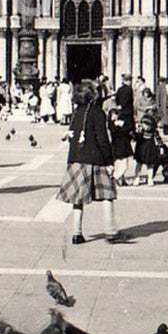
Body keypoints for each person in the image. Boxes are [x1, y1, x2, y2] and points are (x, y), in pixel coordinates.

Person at [57, 78, 120, 245]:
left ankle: (76, 233)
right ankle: (110, 230)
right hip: (96, 160)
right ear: (93, 96)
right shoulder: (98, 113)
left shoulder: (77, 113)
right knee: (107, 195)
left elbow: (72, 137)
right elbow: (103, 139)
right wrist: (109, 161)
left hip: (77, 159)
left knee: (78, 199)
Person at [107, 74, 136, 184]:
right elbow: (128, 104)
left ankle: (121, 177)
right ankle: (118, 176)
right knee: (124, 155)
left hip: (117, 131)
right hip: (126, 121)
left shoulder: (119, 90)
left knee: (118, 155)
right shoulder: (129, 90)